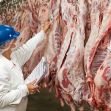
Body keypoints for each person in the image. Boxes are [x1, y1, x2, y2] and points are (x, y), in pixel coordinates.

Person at [0, 21, 50, 111]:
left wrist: (43, 31)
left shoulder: (12, 56)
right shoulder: (1, 67)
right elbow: (1, 100)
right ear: (7, 43)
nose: (16, 40)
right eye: (14, 39)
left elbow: (27, 48)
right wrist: (25, 89)